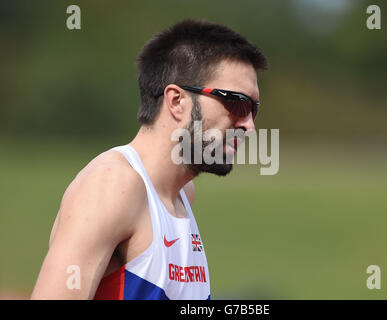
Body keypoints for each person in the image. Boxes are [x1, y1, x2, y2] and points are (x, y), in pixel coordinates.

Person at [31, 19, 268, 300]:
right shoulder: (112, 185)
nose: (248, 125)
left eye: (253, 108)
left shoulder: (182, 195)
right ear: (177, 101)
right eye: (236, 102)